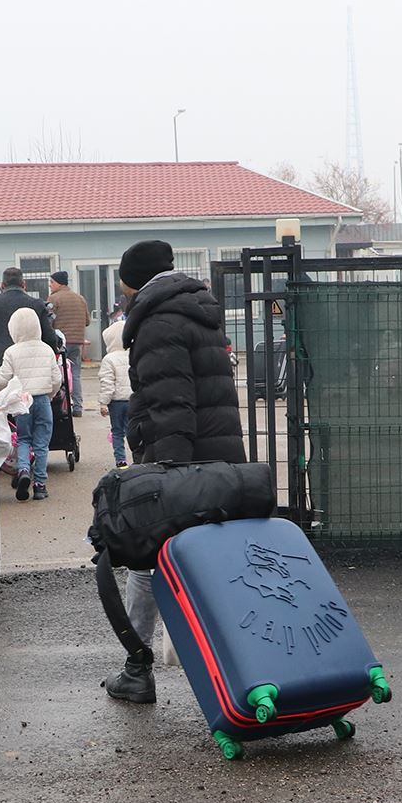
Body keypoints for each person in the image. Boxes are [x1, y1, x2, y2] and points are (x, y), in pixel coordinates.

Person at [102, 240, 245, 704]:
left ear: (132, 280)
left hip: (182, 458)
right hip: (220, 456)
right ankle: (242, 666)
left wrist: (165, 475)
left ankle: (137, 668)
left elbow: (171, 404)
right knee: (217, 561)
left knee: (146, 559)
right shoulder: (195, 310)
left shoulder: (159, 321)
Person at [0, 307, 61, 502]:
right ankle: (40, 485)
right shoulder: (47, 349)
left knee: (24, 439)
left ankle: (24, 469)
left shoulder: (12, 351)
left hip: (22, 402)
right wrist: (50, 395)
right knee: (42, 444)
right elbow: (57, 378)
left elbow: (2, 379)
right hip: (43, 400)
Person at [0, 268, 58, 377]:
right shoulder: (36, 304)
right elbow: (50, 339)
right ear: (24, 284)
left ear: (2, 285)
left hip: (1, 369)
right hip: (31, 370)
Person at [48, 271, 89, 414]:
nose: (50, 285)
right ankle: (78, 407)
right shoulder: (80, 298)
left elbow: (48, 322)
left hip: (61, 344)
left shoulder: (53, 299)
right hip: (77, 341)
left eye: (52, 282)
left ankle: (61, 407)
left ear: (59, 283)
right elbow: (87, 321)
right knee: (76, 374)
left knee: (59, 375)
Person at [97, 321, 131, 467]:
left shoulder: (109, 359)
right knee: (132, 430)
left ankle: (121, 461)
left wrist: (104, 402)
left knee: (117, 433)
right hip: (133, 400)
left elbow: (107, 384)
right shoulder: (133, 355)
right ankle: (137, 456)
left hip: (116, 403)